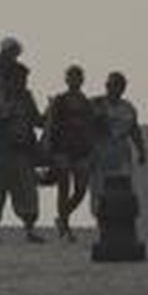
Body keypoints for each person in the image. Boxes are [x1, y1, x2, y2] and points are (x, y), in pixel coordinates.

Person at [0, 60, 45, 244]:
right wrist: (1, 111)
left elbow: (37, 120)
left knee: (28, 194)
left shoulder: (25, 98)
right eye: (20, 79)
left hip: (21, 153)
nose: (23, 83)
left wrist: (51, 113)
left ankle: (29, 231)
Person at [43, 64, 97, 240]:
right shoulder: (60, 100)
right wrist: (49, 148)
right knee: (63, 187)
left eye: (77, 77)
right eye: (71, 77)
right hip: (62, 150)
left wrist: (91, 149)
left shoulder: (86, 103)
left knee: (81, 190)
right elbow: (50, 124)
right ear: (66, 79)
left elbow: (91, 126)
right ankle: (65, 228)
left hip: (81, 151)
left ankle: (62, 218)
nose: (74, 80)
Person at [89, 71, 147, 211]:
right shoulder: (95, 104)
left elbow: (134, 130)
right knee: (99, 190)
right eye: (112, 85)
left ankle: (120, 215)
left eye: (119, 86)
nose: (115, 88)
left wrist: (141, 150)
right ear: (107, 86)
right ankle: (101, 216)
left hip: (121, 153)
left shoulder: (128, 108)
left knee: (122, 186)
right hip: (100, 153)